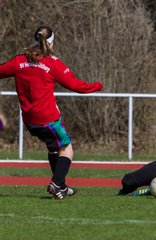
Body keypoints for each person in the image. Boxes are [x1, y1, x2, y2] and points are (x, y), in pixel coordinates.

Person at [0, 25, 103, 200]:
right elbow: (75, 85)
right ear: (51, 43)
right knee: (67, 148)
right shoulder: (52, 62)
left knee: (53, 148)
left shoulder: (19, 61)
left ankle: (61, 187)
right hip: (47, 119)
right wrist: (97, 86)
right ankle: (56, 184)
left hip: (30, 120)